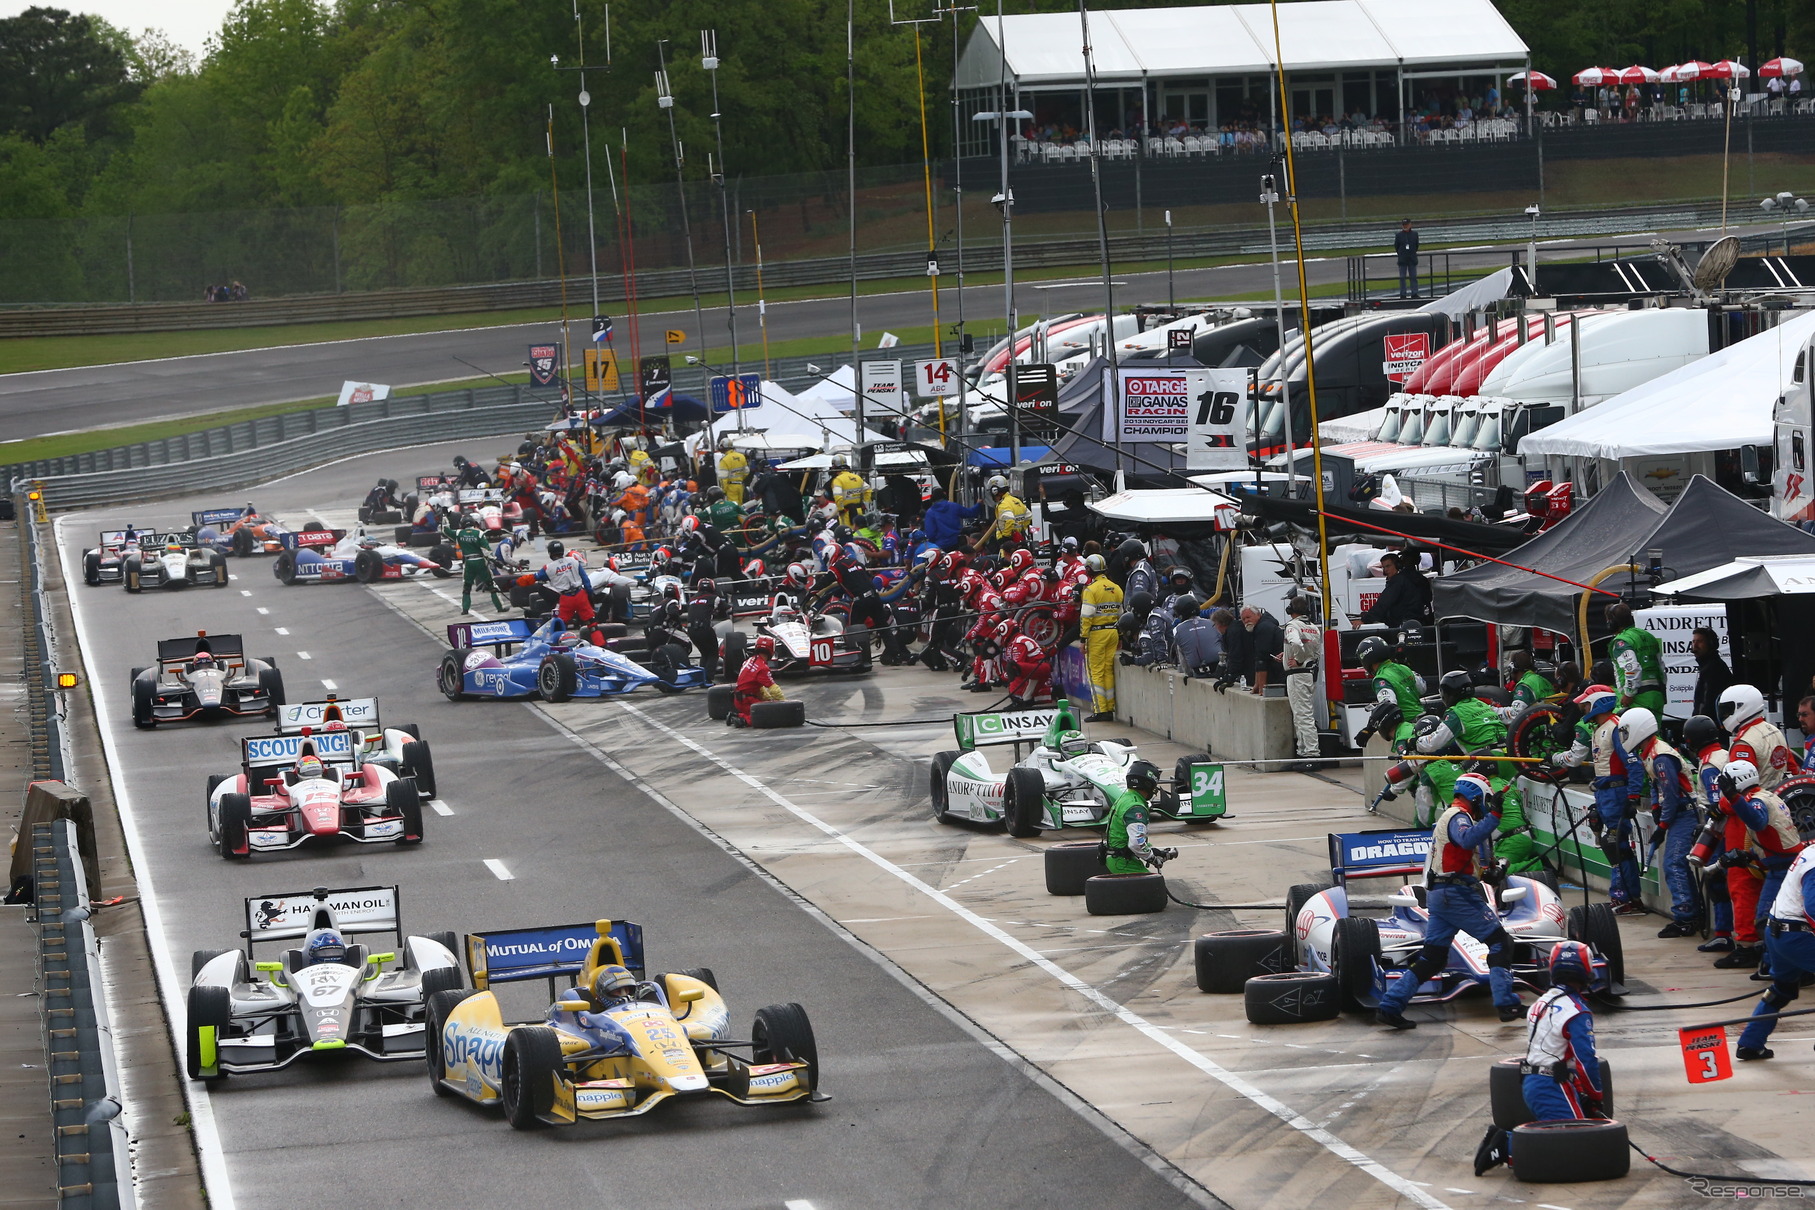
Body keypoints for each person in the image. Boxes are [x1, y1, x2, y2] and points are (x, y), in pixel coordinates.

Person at [1376, 773, 1524, 1027]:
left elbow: (1459, 854)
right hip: (1455, 894)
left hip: (1442, 894)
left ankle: (1390, 1006)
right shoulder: (1457, 817)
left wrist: (1487, 873)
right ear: (1476, 797)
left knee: (1432, 958)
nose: (1486, 806)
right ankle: (1506, 1002)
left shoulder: (1453, 816)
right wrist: (1495, 816)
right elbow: (1467, 838)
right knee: (1500, 942)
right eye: (1485, 801)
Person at [1473, 940, 1605, 1176]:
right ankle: (1506, 1145)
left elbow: (1553, 1050)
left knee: (1577, 1131)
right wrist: (1596, 1096)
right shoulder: (1578, 1011)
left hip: (1532, 1079)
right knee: (1578, 1144)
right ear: (1587, 972)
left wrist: (1576, 1086)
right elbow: (1586, 1061)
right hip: (1551, 1084)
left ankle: (1500, 1136)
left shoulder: (1540, 1002)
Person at [1554, 684, 1645, 913]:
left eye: (1585, 704)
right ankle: (1626, 897)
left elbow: (1634, 764)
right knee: (1611, 844)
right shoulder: (1598, 729)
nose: (1583, 709)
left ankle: (1626, 898)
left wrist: (1632, 797)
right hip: (1604, 793)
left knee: (1616, 845)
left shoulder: (1615, 728)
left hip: (1617, 792)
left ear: (1598, 703)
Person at [1718, 758, 1808, 972]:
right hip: (1786, 866)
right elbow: (1769, 836)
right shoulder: (1768, 795)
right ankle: (1771, 965)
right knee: (1774, 920)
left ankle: (1780, 967)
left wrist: (1734, 797)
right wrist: (1747, 856)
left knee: (1767, 921)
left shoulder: (1755, 801)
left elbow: (1757, 822)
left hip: (1783, 870)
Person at [1621, 706, 1702, 937]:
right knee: (1677, 864)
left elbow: (1672, 792)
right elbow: (1659, 788)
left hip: (1684, 814)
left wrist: (1663, 825)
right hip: (1678, 814)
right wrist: (1657, 809)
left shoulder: (1660, 756)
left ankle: (1685, 917)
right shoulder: (1651, 752)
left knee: (1675, 864)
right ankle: (1690, 913)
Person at [1733, 841, 1815, 1060]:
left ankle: (1750, 1043)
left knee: (1782, 990)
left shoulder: (1810, 850)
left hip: (1777, 932)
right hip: (1798, 935)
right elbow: (1813, 908)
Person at [1684, 714, 1738, 954]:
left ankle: (1724, 934)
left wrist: (1706, 830)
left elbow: (1719, 805)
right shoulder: (1726, 754)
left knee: (1718, 880)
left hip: (1721, 829)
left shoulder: (1708, 765)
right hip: (1735, 824)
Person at [1102, 760, 1178, 875]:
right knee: (1154, 889)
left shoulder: (1126, 798)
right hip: (1123, 863)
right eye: (1154, 785)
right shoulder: (1136, 807)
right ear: (1147, 784)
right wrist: (1152, 858)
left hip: (1118, 858)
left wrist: (1155, 851)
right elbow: (1136, 843)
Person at [1418, 669, 1509, 761]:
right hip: (1511, 756)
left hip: (1489, 760)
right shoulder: (1481, 704)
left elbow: (1434, 743)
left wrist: (1416, 743)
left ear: (1447, 694)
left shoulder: (1455, 713)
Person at [1723, 684, 1796, 790]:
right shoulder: (1774, 730)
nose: (1725, 715)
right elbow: (1793, 769)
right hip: (1782, 800)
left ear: (1742, 706)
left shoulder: (1744, 743)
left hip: (1758, 802)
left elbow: (1741, 788)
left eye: (1728, 710)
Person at [1354, 633, 1422, 747]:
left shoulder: (1381, 678)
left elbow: (1388, 706)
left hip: (1406, 728)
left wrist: (1369, 729)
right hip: (1422, 720)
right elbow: (1422, 688)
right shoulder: (1404, 668)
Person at [1079, 554, 1124, 723]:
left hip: (1096, 634)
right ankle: (1110, 707)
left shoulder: (1091, 590)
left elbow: (1086, 616)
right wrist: (1119, 636)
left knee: (1095, 672)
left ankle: (1100, 710)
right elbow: (1121, 615)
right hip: (1112, 632)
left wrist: (1083, 639)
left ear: (1089, 569)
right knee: (1108, 671)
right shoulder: (1116, 588)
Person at [1282, 597, 1322, 768]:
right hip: (1309, 674)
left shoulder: (1292, 626)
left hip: (1297, 675)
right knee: (1302, 714)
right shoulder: (1314, 628)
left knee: (1303, 716)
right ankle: (1303, 753)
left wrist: (1297, 660)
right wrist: (1285, 656)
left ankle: (1311, 754)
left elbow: (1297, 644)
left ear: (1291, 609)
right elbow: (1313, 651)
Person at [1605, 603, 1665, 717]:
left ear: (1612, 622)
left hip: (1638, 698)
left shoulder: (1621, 642)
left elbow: (1632, 667)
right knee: (1655, 733)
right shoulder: (1648, 636)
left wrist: (1629, 694)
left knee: (1638, 734)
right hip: (1657, 695)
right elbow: (1661, 667)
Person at [520, 541, 595, 629]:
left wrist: (516, 582)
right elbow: (586, 580)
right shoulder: (573, 561)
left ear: (550, 553)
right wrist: (590, 594)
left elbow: (535, 577)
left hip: (566, 598)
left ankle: (560, 637)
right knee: (592, 624)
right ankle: (599, 641)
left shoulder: (548, 568)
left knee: (560, 625)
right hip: (579, 595)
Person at [445, 510, 505, 615]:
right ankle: (500, 607)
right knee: (491, 586)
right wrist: (494, 559)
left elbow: (446, 530)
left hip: (468, 562)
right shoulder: (479, 533)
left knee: (467, 587)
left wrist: (446, 517)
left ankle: (465, 609)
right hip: (480, 561)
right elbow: (486, 550)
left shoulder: (459, 533)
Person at [1223, 606, 1284, 695]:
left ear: (1258, 615)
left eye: (1248, 617)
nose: (1246, 621)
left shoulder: (1263, 628)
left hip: (1279, 672)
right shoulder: (1263, 625)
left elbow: (1261, 659)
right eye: (1243, 619)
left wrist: (1261, 688)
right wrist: (1257, 683)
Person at [1358, 552, 1430, 627]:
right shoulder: (1421, 579)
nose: (1385, 570)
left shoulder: (1398, 580)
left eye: (1388, 566)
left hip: (1403, 625)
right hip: (1421, 623)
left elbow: (1384, 603)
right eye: (1383, 567)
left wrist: (1365, 620)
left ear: (1398, 565)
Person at [729, 635, 784, 726]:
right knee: (770, 714)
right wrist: (784, 704)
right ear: (771, 650)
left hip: (739, 699)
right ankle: (742, 720)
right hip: (747, 701)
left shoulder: (749, 660)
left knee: (767, 703)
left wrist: (769, 700)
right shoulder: (763, 668)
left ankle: (736, 715)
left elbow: (759, 687)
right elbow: (774, 690)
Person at [1001, 618, 1051, 708]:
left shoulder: (1019, 642)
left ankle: (1053, 692)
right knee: (1025, 697)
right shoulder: (1016, 640)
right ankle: (1022, 700)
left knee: (1013, 669)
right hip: (1033, 668)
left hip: (1039, 668)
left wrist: (1003, 678)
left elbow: (1016, 665)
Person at [1171, 595, 1222, 678]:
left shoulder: (1177, 629)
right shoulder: (1211, 623)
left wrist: (1188, 673)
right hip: (1218, 668)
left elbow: (1182, 653)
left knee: (1180, 646)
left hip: (1197, 672)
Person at [1691, 627, 1734, 720]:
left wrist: (1699, 721)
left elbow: (1708, 703)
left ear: (1711, 644)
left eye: (1699, 641)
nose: (1695, 645)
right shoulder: (1707, 666)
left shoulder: (1714, 668)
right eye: (1694, 641)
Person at [1118, 591, 1171, 668]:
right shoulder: (1158, 611)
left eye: (1135, 611)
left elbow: (1159, 638)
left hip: (1174, 654)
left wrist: (1162, 660)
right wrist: (1157, 660)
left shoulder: (1154, 617)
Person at [986, 475, 1031, 552]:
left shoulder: (1003, 504)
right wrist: (1020, 529)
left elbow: (1010, 520)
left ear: (995, 491)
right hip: (1019, 540)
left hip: (1008, 547)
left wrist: (1005, 538)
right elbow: (1028, 516)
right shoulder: (1016, 501)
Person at [829, 454, 870, 528]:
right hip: (859, 511)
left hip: (846, 513)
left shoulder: (837, 480)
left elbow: (838, 497)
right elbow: (868, 490)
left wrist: (841, 509)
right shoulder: (857, 477)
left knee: (847, 534)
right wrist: (865, 503)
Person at [715, 435, 748, 505]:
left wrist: (723, 491)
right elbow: (746, 472)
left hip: (731, 487)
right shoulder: (741, 456)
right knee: (740, 506)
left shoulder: (724, 460)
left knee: (733, 507)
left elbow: (723, 478)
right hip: (740, 486)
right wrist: (739, 478)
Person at [1395, 219, 1421, 299]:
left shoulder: (1414, 234)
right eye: (1403, 225)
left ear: (1410, 225)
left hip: (1412, 259)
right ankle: (1403, 294)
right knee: (1402, 277)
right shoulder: (1399, 235)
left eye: (1406, 224)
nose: (1405, 226)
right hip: (1403, 259)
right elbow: (1396, 246)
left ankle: (1414, 293)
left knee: (1413, 277)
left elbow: (1416, 245)